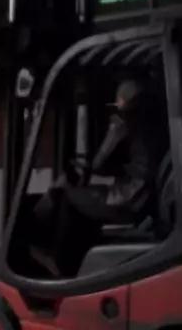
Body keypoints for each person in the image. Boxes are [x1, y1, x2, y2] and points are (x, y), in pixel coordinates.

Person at [30, 78, 168, 277]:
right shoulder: (148, 129)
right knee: (74, 194)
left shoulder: (133, 128)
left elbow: (102, 165)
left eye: (121, 107)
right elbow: (126, 168)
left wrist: (111, 137)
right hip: (136, 195)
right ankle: (71, 255)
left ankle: (59, 262)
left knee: (64, 194)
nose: (119, 112)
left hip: (130, 198)